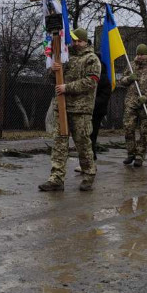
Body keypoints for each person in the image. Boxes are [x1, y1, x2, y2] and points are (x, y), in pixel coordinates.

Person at [39, 28, 101, 193]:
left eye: (78, 41)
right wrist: (53, 69)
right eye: (73, 40)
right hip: (62, 107)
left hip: (81, 109)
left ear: (85, 41)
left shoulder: (91, 59)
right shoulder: (65, 57)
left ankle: (89, 175)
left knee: (83, 144)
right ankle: (56, 179)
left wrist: (68, 87)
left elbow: (91, 82)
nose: (75, 43)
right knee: (59, 144)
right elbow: (53, 79)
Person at [118, 44, 147, 168]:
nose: (140, 56)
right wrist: (129, 79)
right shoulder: (131, 65)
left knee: (144, 131)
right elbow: (121, 80)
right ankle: (131, 153)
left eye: (142, 54)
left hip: (146, 104)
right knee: (128, 128)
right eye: (138, 54)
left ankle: (140, 156)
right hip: (131, 103)